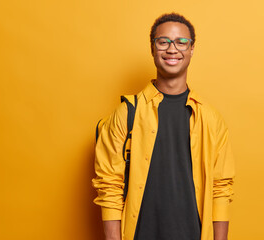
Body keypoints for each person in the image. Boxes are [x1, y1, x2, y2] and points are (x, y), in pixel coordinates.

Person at [92, 13, 235, 240]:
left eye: (181, 42)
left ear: (191, 49)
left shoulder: (211, 119)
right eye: (163, 42)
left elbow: (221, 188)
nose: (172, 49)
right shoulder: (126, 114)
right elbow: (109, 185)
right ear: (153, 48)